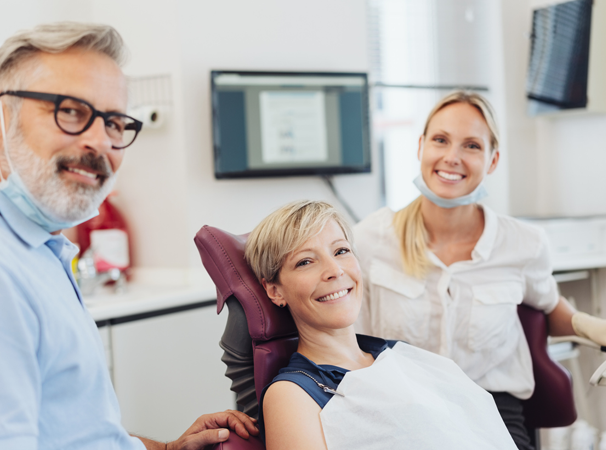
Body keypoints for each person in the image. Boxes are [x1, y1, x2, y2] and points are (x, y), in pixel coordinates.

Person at [0, 22, 257, 450]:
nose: (100, 141)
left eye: (115, 122)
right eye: (70, 111)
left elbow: (74, 433)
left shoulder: (42, 252)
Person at [353, 91, 606, 450]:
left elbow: (548, 308)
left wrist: (595, 329)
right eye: (440, 140)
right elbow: (344, 340)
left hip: (492, 412)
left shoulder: (523, 244)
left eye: (471, 145)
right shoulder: (369, 239)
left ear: (492, 160)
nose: (452, 157)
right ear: (421, 146)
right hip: (399, 411)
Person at [245, 200, 519, 450]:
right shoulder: (292, 395)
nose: (335, 270)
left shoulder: (402, 355)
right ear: (274, 291)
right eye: (305, 261)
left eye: (341, 251)